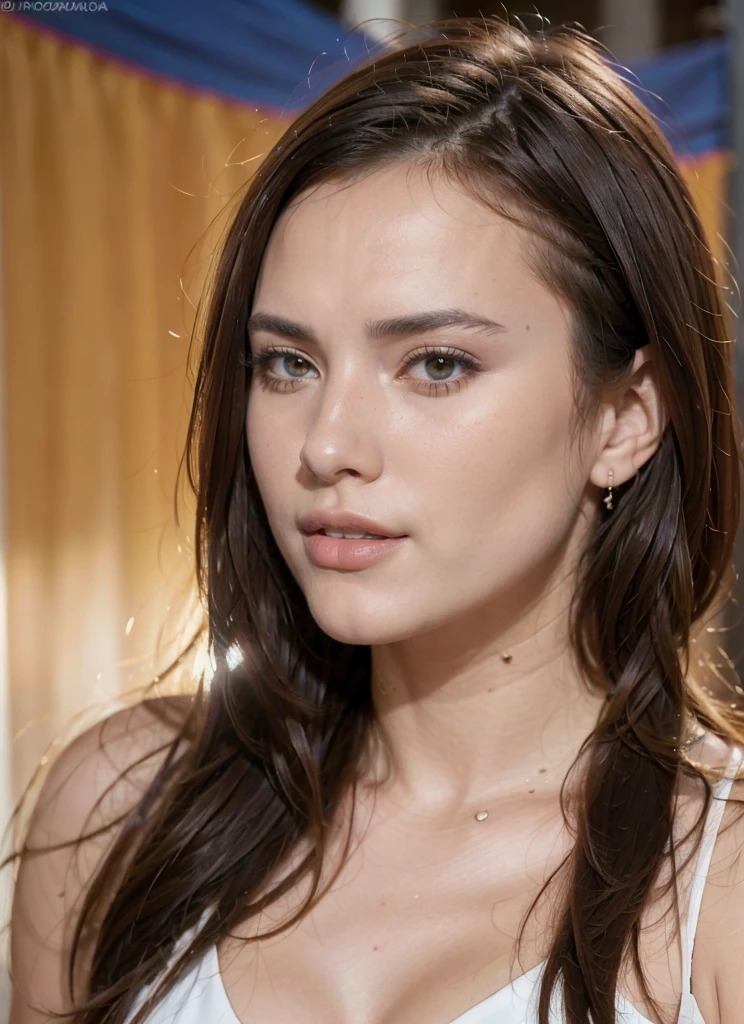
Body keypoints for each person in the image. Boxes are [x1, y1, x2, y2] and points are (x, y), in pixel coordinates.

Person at [6, 14, 744, 1024]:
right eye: (289, 363)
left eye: (436, 364)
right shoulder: (119, 814)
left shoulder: (720, 886)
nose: (326, 442)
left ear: (623, 420)